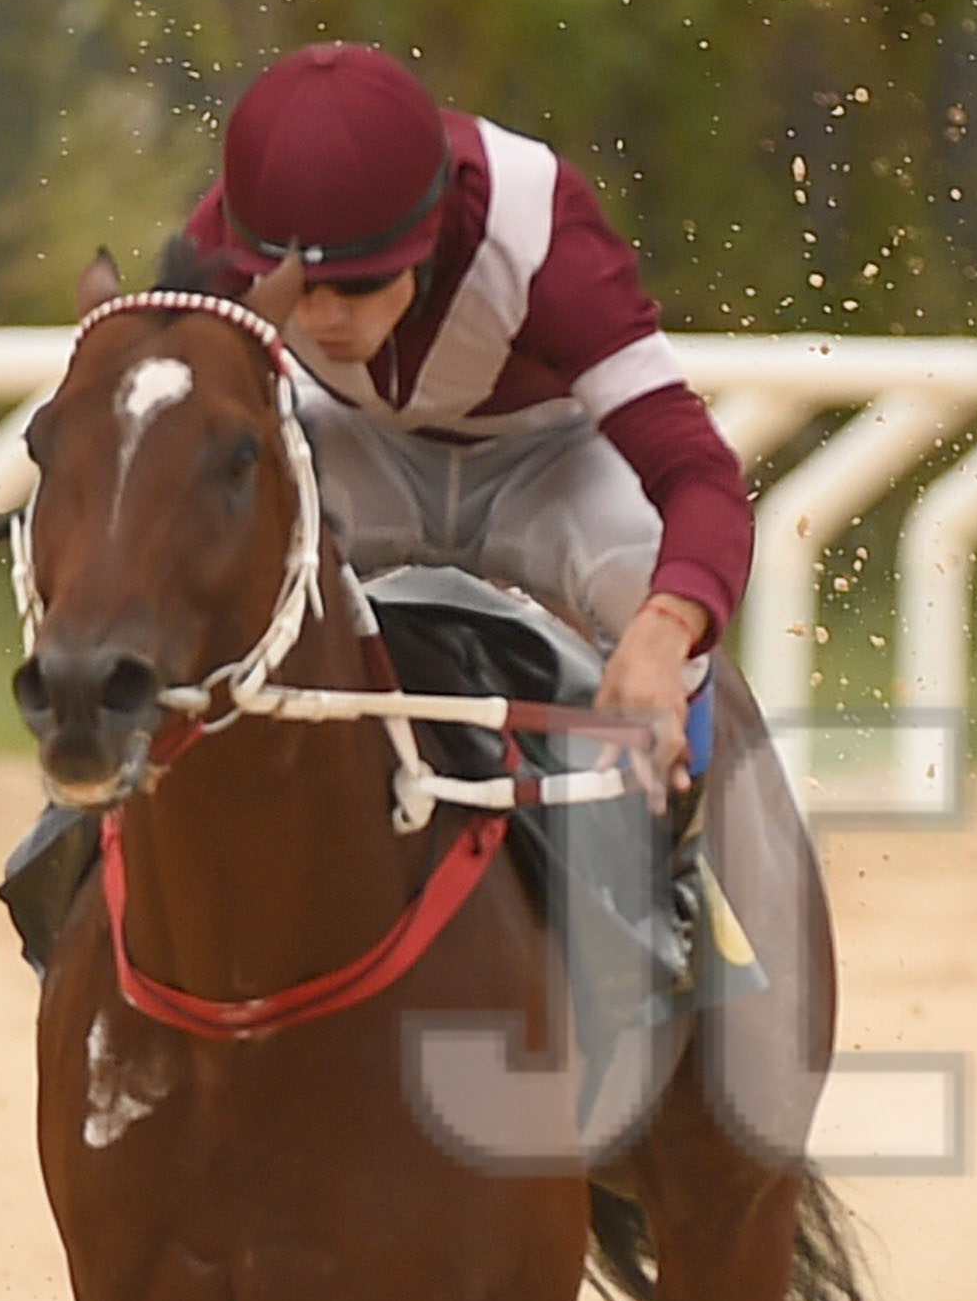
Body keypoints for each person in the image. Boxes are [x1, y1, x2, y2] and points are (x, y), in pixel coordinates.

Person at [182, 40, 752, 803]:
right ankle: (102, 817)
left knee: (638, 575)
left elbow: (699, 475)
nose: (318, 318)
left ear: (431, 233)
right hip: (355, 448)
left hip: (548, 464)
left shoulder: (545, 239)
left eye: (357, 285)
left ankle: (676, 835)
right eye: (291, 286)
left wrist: (664, 630)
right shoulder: (222, 239)